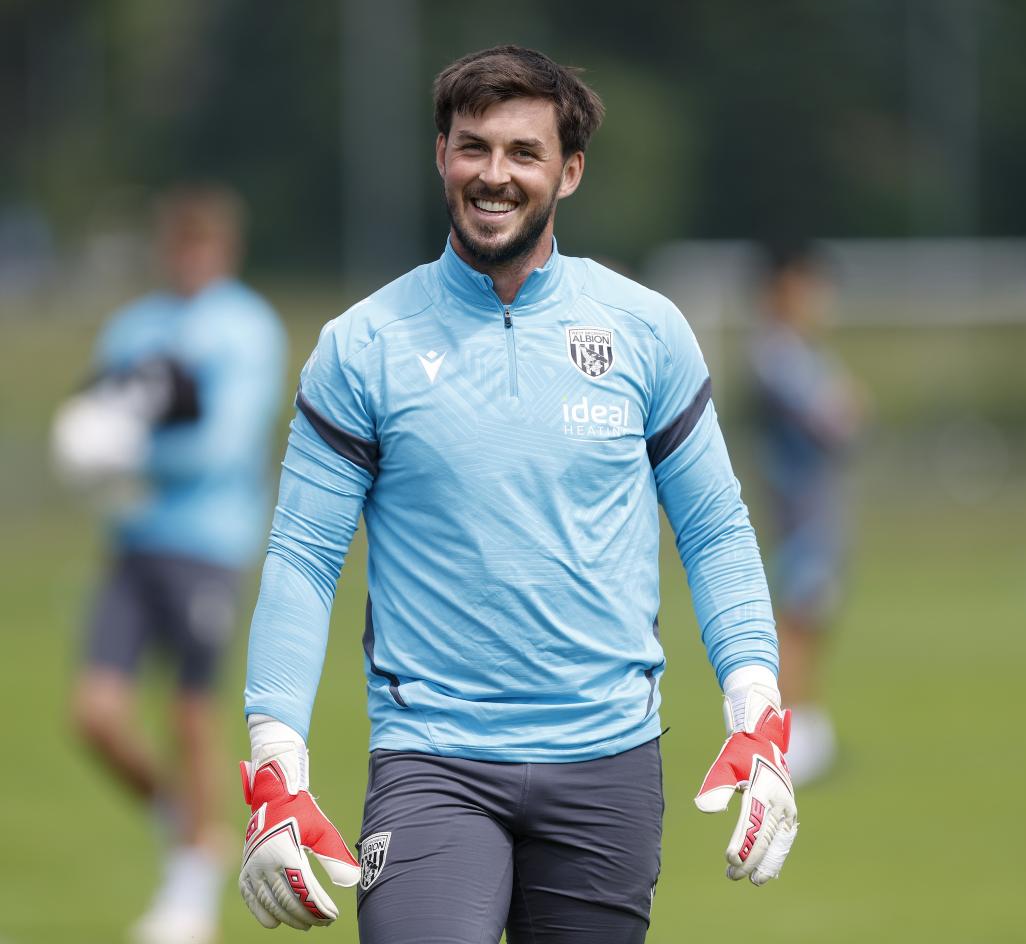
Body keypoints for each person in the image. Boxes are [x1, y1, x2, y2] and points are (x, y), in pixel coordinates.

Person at [237, 46, 798, 943]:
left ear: (568, 172)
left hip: (608, 764)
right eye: (474, 147)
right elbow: (304, 559)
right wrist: (276, 761)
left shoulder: (645, 329)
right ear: (441, 155)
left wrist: (757, 712)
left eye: (523, 153)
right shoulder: (362, 346)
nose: (494, 175)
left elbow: (716, 530)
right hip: (433, 764)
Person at [52, 186, 287, 944]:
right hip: (133, 541)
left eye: (202, 245)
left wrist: (130, 451)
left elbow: (223, 442)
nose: (189, 257)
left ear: (223, 250)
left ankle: (189, 897)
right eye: (178, 244)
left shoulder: (246, 329)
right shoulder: (133, 328)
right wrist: (86, 445)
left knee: (191, 716)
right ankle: (189, 824)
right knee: (95, 714)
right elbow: (102, 410)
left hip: (207, 544)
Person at [748, 243, 865, 785]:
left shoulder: (803, 352)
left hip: (819, 509)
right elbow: (839, 418)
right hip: (797, 512)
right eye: (808, 284)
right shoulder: (778, 354)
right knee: (794, 623)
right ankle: (783, 738)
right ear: (783, 289)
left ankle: (805, 731)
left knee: (811, 621)